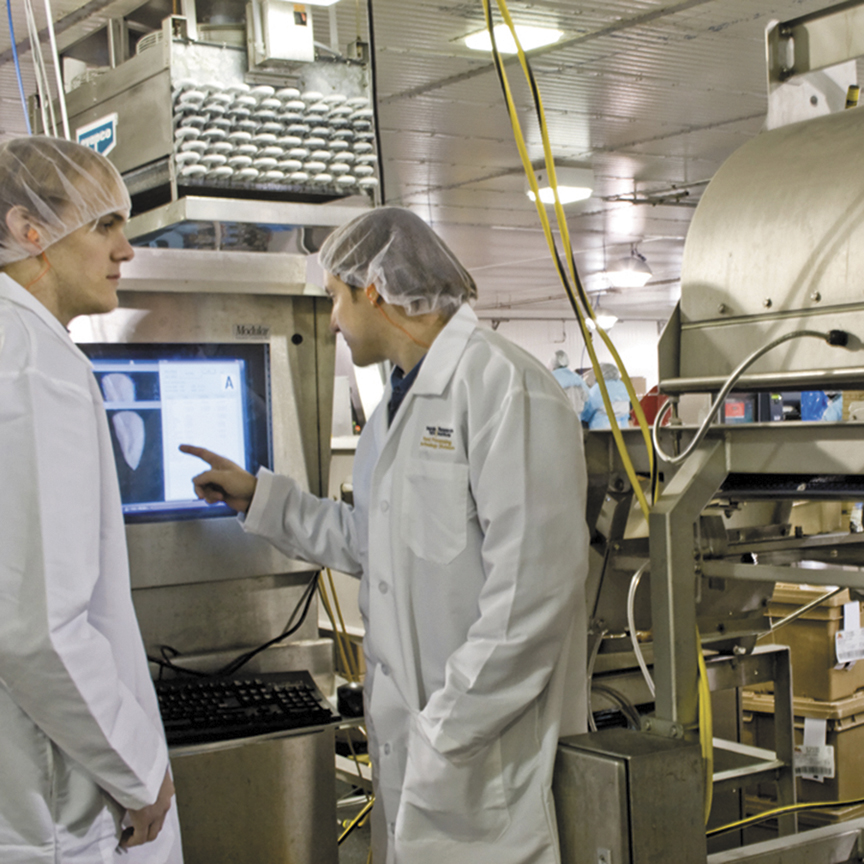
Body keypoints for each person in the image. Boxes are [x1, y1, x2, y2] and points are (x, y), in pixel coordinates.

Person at [182, 207, 588, 864]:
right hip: (416, 753)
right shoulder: (395, 410)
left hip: (481, 758)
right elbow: (374, 544)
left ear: (374, 289)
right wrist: (262, 499)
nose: (332, 321)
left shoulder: (505, 388)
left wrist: (445, 731)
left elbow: (532, 599)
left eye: (334, 298)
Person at [0, 137, 181, 863]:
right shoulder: (32, 365)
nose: (126, 249)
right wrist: (139, 771)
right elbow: (39, 628)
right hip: (53, 810)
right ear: (28, 229)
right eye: (104, 225)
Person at [581, 361, 631, 429]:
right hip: (623, 428)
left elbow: (586, 413)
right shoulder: (623, 386)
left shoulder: (597, 389)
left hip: (601, 429)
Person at [550, 349, 590, 416]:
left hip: (557, 417)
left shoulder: (550, 378)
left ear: (552, 362)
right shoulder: (576, 378)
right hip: (576, 417)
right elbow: (587, 397)